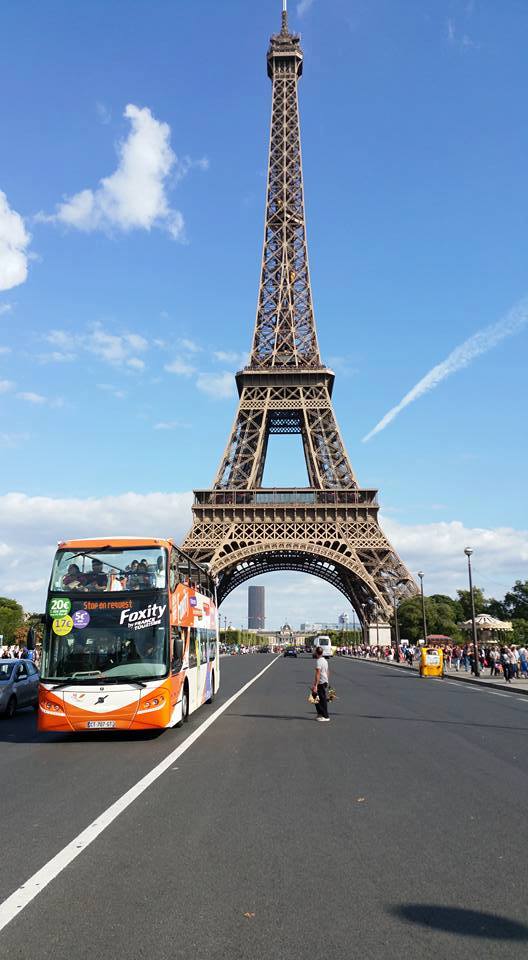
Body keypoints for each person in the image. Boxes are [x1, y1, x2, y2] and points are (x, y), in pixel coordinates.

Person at [312, 645, 330, 722]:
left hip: (321, 682)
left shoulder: (318, 661)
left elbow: (318, 673)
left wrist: (315, 685)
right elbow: (328, 671)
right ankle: (320, 713)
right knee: (317, 697)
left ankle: (325, 716)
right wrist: (327, 680)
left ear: (316, 653)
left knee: (320, 699)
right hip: (324, 681)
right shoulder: (325, 660)